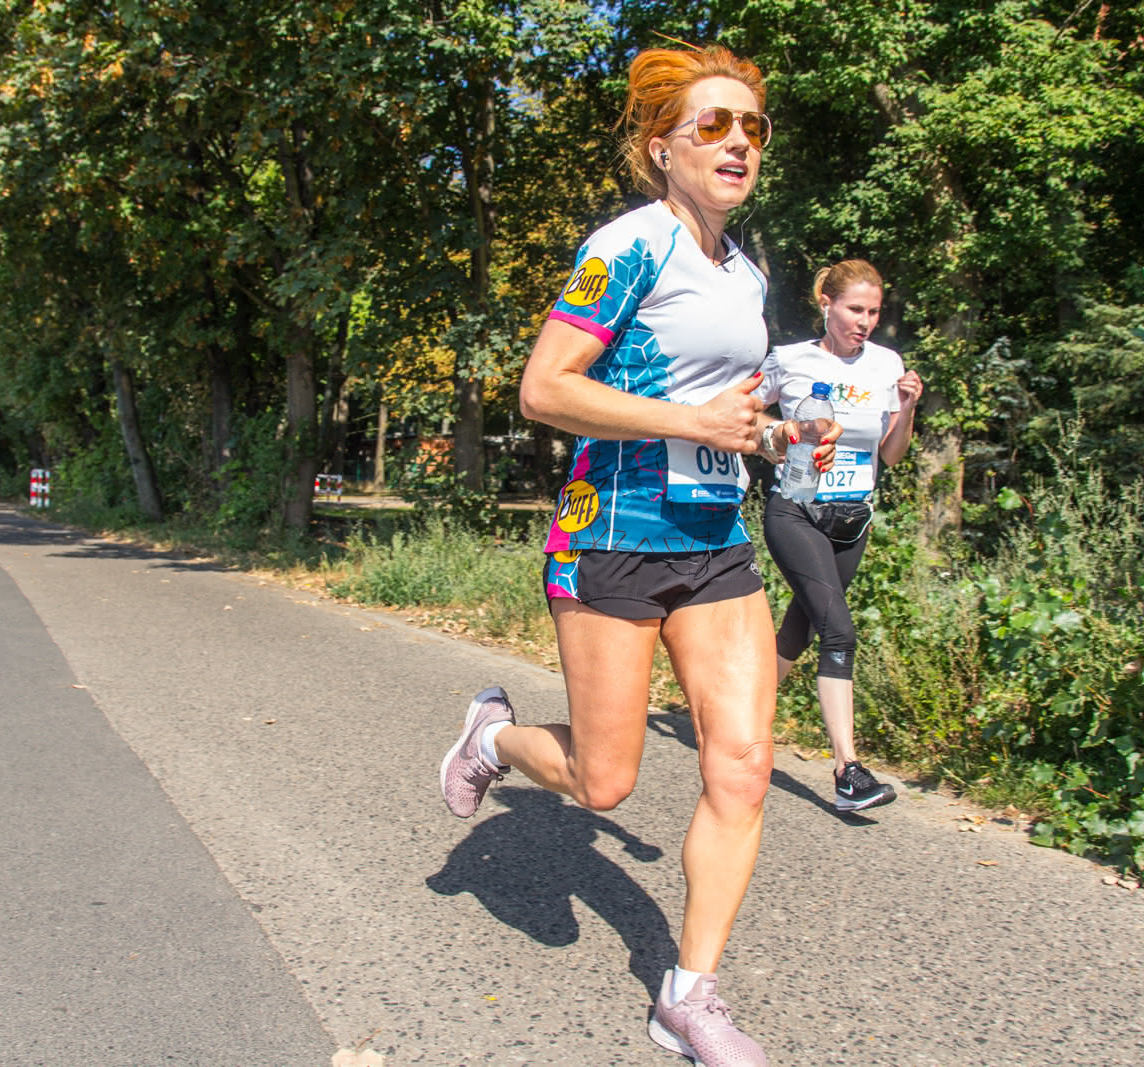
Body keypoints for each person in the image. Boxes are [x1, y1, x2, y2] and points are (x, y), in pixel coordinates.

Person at [439, 45, 832, 1067]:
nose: (738, 142)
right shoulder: (628, 246)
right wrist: (692, 419)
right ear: (662, 147)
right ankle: (493, 738)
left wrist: (777, 436)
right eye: (713, 125)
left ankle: (688, 997)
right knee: (603, 781)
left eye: (752, 127)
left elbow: (724, 413)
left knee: (742, 764)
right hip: (610, 534)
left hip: (714, 541)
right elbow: (544, 388)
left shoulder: (746, 270)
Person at [757, 260, 923, 814]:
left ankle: (740, 718)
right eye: (855, 309)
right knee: (839, 633)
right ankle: (847, 771)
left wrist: (908, 408)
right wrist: (776, 436)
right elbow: (741, 416)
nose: (865, 321)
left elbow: (891, 454)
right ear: (825, 303)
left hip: (853, 521)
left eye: (873, 311)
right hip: (797, 511)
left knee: (801, 628)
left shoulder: (887, 364)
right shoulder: (788, 360)